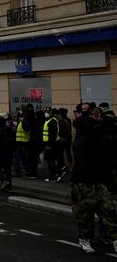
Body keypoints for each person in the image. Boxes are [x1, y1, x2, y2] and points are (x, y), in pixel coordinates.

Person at [70, 106, 117, 254]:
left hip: (101, 178)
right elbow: (80, 156)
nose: (98, 119)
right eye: (94, 116)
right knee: (85, 211)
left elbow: (108, 156)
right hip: (84, 180)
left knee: (110, 209)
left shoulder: (102, 132)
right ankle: (85, 238)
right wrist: (87, 175)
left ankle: (114, 238)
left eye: (99, 116)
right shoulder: (83, 133)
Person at [0, 113, 15, 191]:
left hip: (0, 153)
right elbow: (13, 142)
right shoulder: (11, 130)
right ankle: (10, 186)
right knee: (7, 169)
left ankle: (4, 181)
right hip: (9, 153)